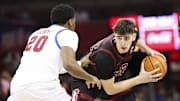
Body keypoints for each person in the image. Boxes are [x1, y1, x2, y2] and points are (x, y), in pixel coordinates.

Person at [7, 4, 100, 101]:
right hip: (43, 87)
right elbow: (69, 64)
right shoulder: (67, 33)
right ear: (70, 21)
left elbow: (54, 66)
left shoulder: (36, 33)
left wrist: (80, 63)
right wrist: (90, 78)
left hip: (17, 87)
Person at [71, 19, 164, 101]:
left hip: (108, 78)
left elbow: (137, 39)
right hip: (85, 79)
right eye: (119, 38)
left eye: (126, 38)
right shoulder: (105, 56)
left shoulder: (133, 37)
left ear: (133, 37)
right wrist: (140, 79)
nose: (123, 43)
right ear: (115, 36)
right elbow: (110, 89)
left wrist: (149, 50)